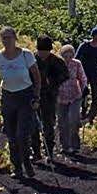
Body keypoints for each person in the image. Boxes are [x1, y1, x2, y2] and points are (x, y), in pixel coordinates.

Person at [0, 27, 43, 179]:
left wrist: (36, 96)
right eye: (4, 38)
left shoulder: (26, 55)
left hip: (25, 97)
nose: (6, 41)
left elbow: (37, 77)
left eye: (9, 37)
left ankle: (27, 163)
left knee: (22, 134)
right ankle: (17, 167)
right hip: (8, 97)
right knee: (11, 135)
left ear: (15, 38)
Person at [31, 35, 69, 164]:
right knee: (33, 125)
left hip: (49, 96)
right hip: (33, 95)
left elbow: (65, 75)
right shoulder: (32, 59)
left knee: (48, 124)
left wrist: (53, 81)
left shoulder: (56, 61)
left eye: (46, 51)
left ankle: (49, 152)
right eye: (41, 51)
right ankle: (36, 152)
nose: (43, 54)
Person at [56, 44, 88, 156]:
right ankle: (64, 146)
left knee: (73, 120)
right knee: (62, 122)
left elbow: (83, 77)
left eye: (70, 56)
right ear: (62, 55)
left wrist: (84, 89)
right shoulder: (57, 64)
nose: (68, 59)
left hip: (75, 95)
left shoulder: (77, 64)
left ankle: (75, 145)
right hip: (61, 96)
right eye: (66, 56)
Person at [75, 27, 97, 123]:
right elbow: (76, 59)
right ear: (95, 36)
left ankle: (91, 116)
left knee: (96, 96)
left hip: (96, 75)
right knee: (82, 95)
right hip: (84, 74)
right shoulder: (84, 45)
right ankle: (81, 114)